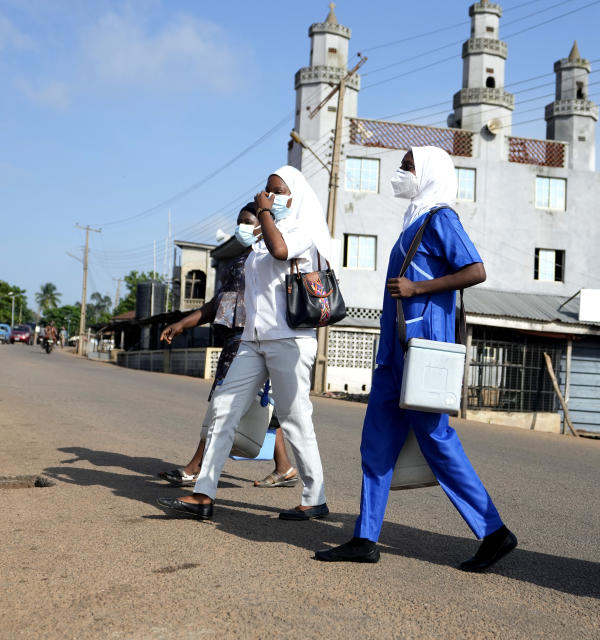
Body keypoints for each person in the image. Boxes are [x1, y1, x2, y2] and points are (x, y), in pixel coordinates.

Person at [315, 146, 516, 571]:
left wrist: (417, 290)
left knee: (437, 440)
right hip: (394, 353)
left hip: (424, 350)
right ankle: (365, 537)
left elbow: (476, 271)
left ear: (426, 173)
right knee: (377, 443)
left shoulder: (441, 216)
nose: (400, 172)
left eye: (407, 166)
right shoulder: (413, 221)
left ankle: (494, 532)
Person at [157, 166, 332, 520]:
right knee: (223, 409)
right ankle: (204, 494)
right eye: (266, 191)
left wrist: (264, 212)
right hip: (253, 340)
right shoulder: (260, 239)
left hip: (289, 339)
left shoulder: (301, 229)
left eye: (276, 191)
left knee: (295, 419)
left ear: (294, 197)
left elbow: (282, 251)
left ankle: (315, 498)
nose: (268, 196)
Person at [157, 203, 300, 489]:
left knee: (224, 402)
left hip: (257, 340)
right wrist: (183, 323)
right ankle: (284, 467)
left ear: (263, 223)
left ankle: (197, 467)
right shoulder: (238, 262)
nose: (242, 227)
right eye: (239, 222)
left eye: (248, 221)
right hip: (243, 341)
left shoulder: (273, 258)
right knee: (265, 405)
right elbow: (218, 305)